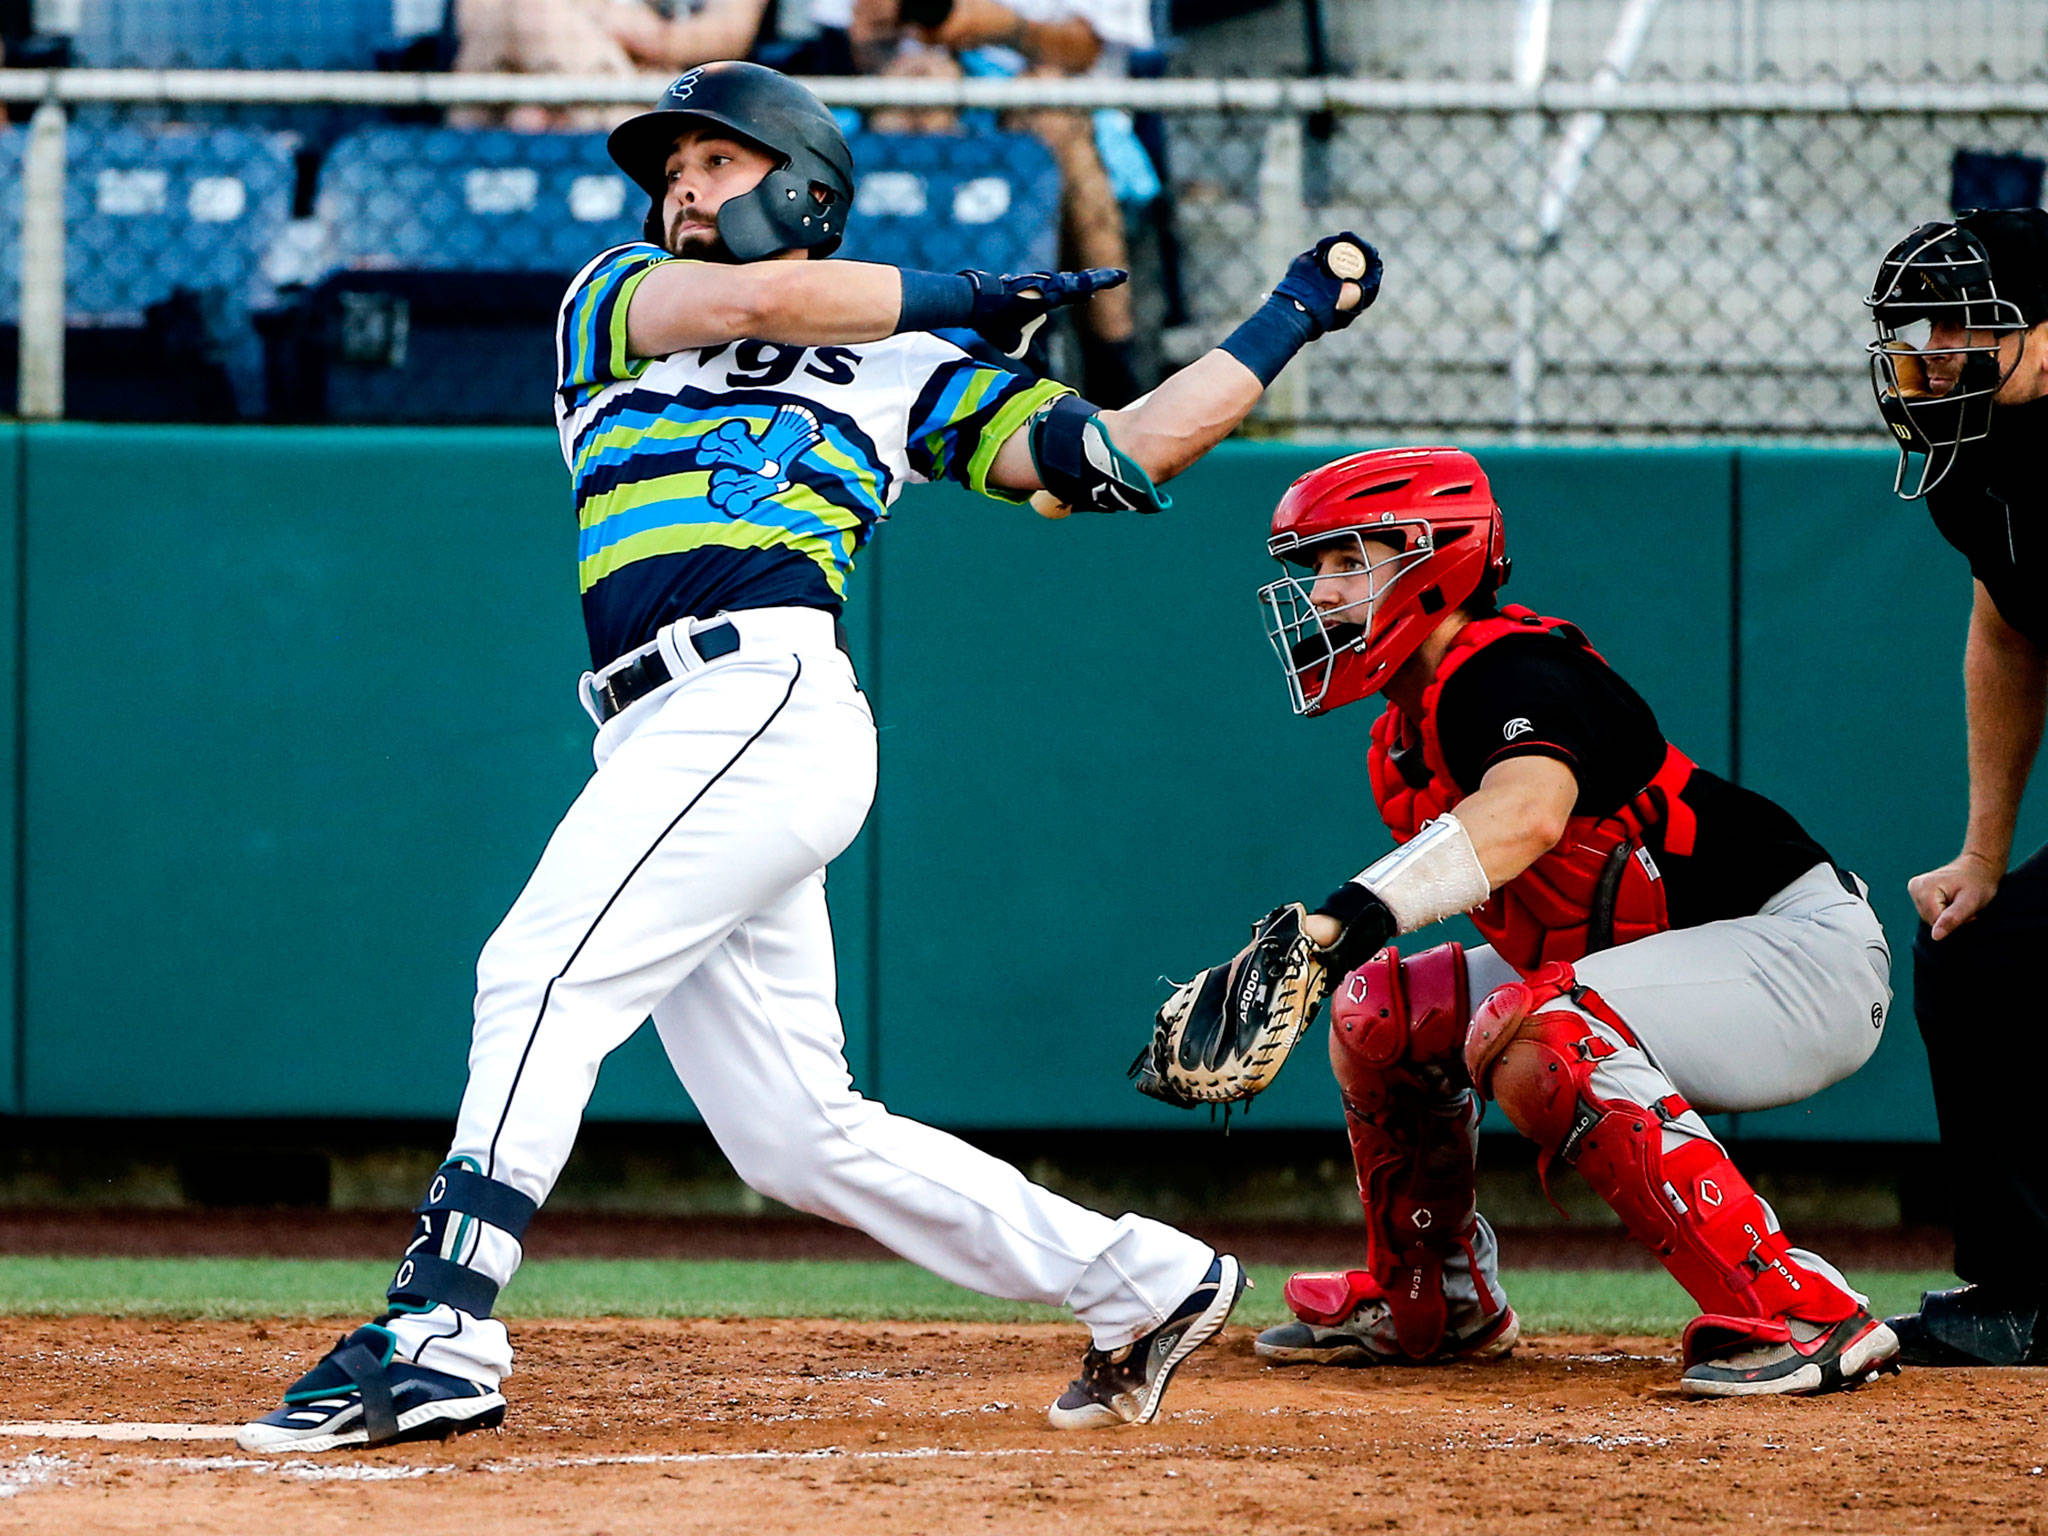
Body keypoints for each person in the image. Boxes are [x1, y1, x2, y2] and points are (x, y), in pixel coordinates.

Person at [235, 61, 1380, 1452]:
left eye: (713, 166)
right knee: (796, 1135)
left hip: (760, 701)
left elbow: (1128, 456)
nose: (682, 192)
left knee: (538, 968)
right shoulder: (617, 303)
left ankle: (440, 1326)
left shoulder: (907, 372)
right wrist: (968, 293)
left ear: (801, 188)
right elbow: (757, 303)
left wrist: (1288, 316)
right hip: (658, 730)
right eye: (672, 175)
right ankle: (1145, 1281)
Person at [1151, 446, 1899, 1397]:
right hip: (1676, 959)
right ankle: (1436, 1301)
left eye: (1350, 562)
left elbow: (1529, 811)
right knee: (1379, 1013)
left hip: (1798, 955)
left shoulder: (1511, 667)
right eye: (1319, 568)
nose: (1324, 592)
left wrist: (1342, 921)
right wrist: (1345, 952)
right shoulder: (1409, 723)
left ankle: (1801, 1310)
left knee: (1541, 1033)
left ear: (1432, 559)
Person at [1866, 208, 2048, 1366]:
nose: (1932, 355)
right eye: (1918, 332)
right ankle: (2022, 1292)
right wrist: (1983, 855)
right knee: (1978, 950)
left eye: (1965, 329)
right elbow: (2008, 629)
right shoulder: (1972, 467)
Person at [817, 0, 1154, 404]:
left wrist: (997, 27)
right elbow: (850, 49)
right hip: (896, 100)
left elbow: (1086, 50)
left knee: (1046, 100)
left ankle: (1112, 375)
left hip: (1028, 106)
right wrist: (884, 33)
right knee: (913, 93)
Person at [450, 0, 775, 131]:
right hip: (516, 79)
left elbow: (731, 34)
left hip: (667, 84)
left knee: (530, 117)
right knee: (534, 12)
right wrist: (597, 13)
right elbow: (479, 23)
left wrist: (653, 38)